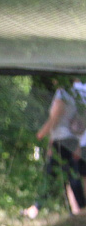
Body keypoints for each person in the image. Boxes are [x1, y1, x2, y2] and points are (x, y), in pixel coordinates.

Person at [35, 75, 86, 215]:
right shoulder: (76, 95)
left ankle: (37, 207)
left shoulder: (63, 93)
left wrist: (41, 133)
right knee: (71, 174)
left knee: (54, 174)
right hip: (70, 140)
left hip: (64, 140)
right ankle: (79, 209)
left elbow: (55, 118)